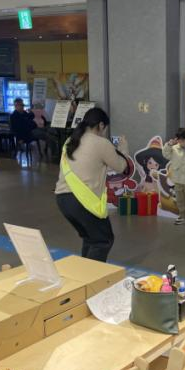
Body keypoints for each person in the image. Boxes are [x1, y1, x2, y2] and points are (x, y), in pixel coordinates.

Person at [55, 108, 131, 262]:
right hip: (82, 201)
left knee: (91, 238)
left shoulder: (71, 140)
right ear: (101, 125)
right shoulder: (101, 143)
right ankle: (92, 275)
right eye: (105, 128)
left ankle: (85, 272)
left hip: (63, 200)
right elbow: (122, 167)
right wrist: (123, 149)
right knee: (103, 240)